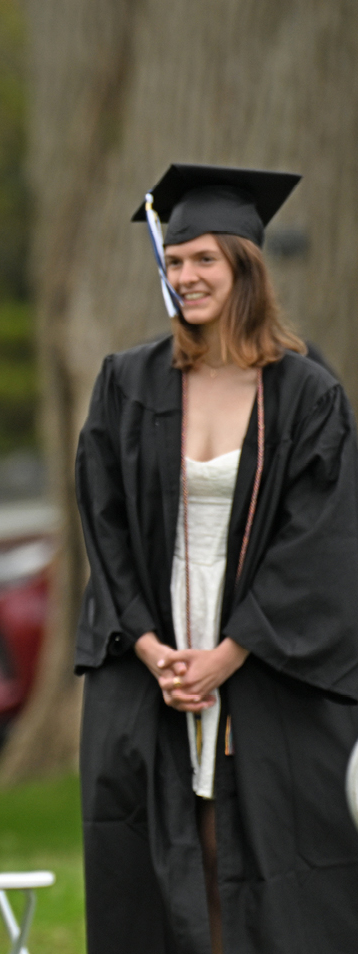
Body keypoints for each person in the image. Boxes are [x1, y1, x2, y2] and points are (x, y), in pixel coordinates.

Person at [75, 164, 358, 953]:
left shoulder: (305, 394)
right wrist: (148, 645)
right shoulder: (127, 382)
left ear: (245, 267)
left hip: (263, 655)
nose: (187, 277)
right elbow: (104, 525)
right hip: (153, 649)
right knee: (169, 852)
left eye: (205, 259)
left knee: (256, 848)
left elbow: (322, 540)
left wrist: (230, 654)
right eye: (174, 261)